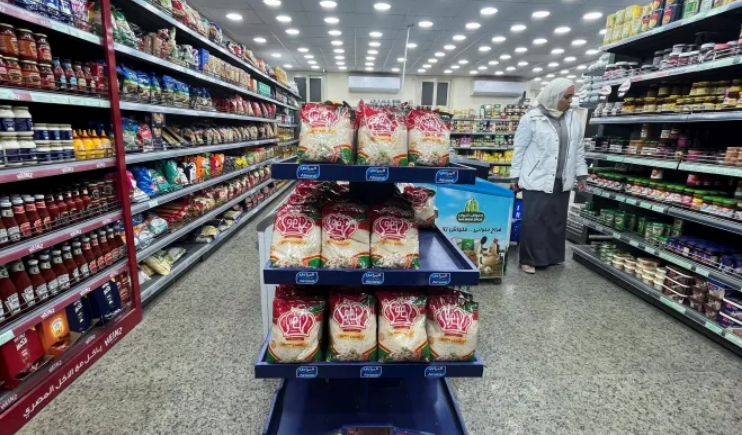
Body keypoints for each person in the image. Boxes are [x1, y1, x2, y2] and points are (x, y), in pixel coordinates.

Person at [510, 78, 588, 274]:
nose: (570, 101)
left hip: (562, 178)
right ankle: (529, 259)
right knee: (534, 220)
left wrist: (581, 174)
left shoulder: (573, 118)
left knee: (556, 220)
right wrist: (515, 177)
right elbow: (520, 149)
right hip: (537, 177)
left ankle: (552, 256)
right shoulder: (531, 118)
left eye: (571, 97)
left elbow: (578, 149)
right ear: (554, 96)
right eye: (566, 97)